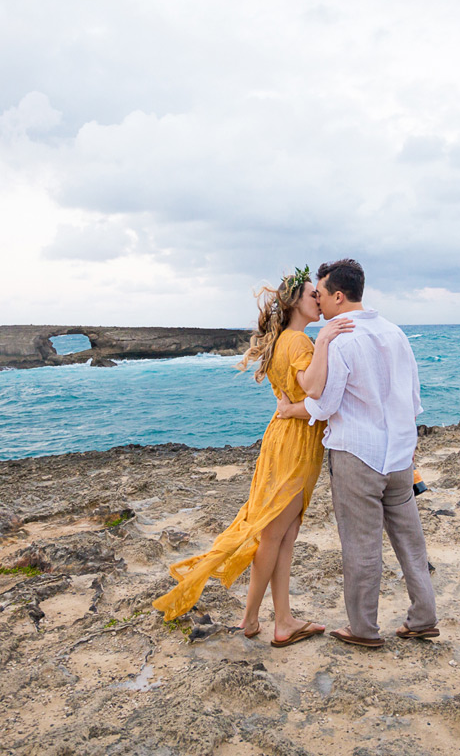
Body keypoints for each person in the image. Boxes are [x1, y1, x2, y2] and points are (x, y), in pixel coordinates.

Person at [152, 266, 352, 647]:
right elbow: (312, 390)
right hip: (295, 443)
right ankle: (251, 619)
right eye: (313, 294)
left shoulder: (283, 342)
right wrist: (325, 342)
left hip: (284, 438)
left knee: (285, 535)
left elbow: (293, 396)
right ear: (295, 301)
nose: (319, 300)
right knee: (273, 534)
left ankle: (283, 619)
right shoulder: (300, 343)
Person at [276, 258, 437, 648]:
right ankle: (424, 617)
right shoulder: (395, 333)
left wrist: (289, 410)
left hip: (356, 454)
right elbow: (414, 399)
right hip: (399, 455)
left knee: (360, 545)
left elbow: (324, 404)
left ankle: (363, 628)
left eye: (321, 294)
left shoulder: (342, 340)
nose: (319, 302)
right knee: (411, 543)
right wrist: (408, 444)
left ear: (338, 296)